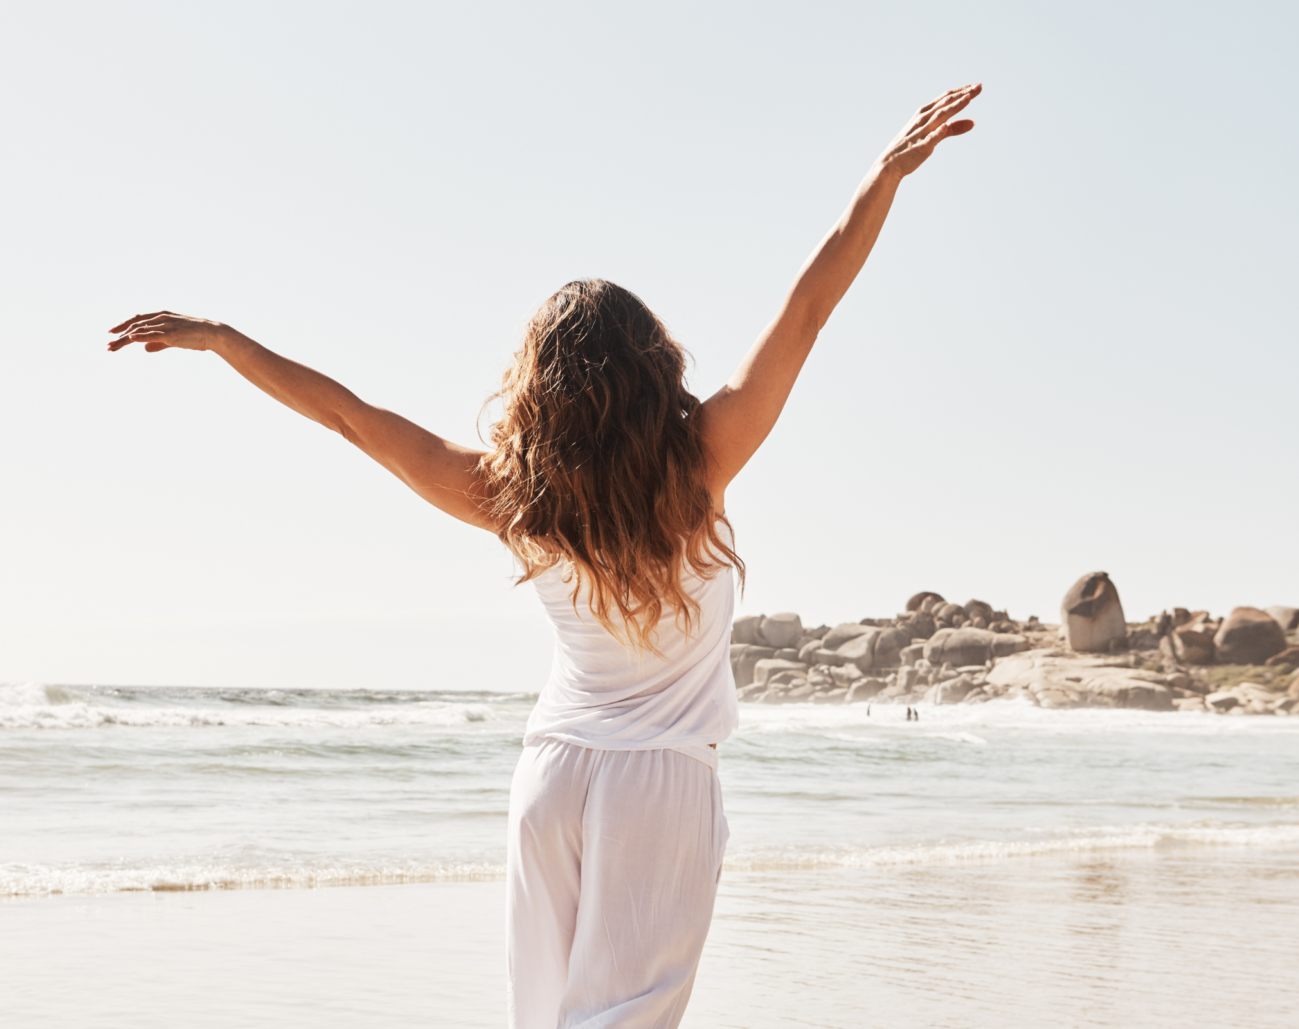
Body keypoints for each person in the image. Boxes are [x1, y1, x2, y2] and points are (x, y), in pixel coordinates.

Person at [107, 84, 979, 1029]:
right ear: (654, 366)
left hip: (554, 770)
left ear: (538, 386)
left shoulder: (511, 497)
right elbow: (807, 311)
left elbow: (351, 419)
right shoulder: (703, 462)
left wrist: (225, 340)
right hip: (662, 777)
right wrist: (882, 177)